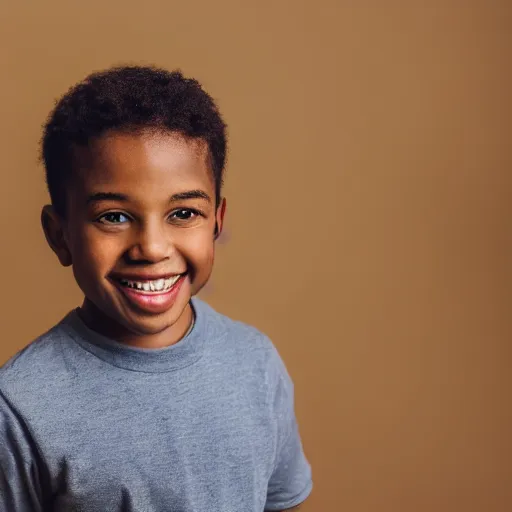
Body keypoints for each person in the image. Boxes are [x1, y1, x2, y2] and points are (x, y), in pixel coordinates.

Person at [0, 66, 312, 511]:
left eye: (183, 214)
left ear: (217, 222)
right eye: (114, 216)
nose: (151, 248)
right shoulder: (19, 406)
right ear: (60, 234)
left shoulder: (255, 363)